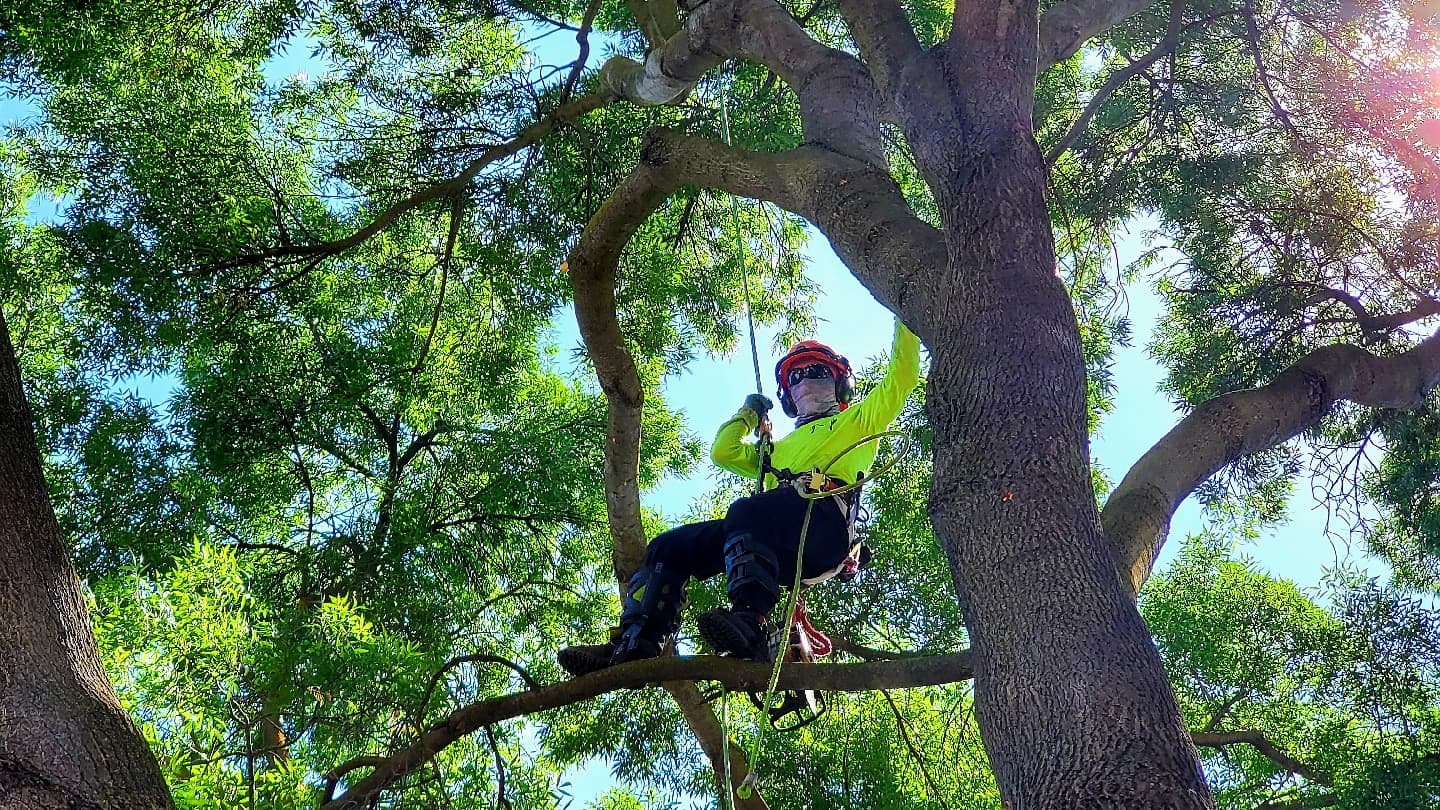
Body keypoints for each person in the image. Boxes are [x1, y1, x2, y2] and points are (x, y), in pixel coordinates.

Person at [558, 318, 921, 676]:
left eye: (817, 372)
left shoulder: (860, 420)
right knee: (669, 547)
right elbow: (724, 452)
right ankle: (636, 642)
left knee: (748, 512)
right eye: (795, 377)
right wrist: (748, 415)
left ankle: (750, 619)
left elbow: (901, 378)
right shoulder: (776, 450)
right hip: (776, 529)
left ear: (840, 385)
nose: (805, 381)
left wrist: (902, 310)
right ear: (788, 398)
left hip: (825, 529)